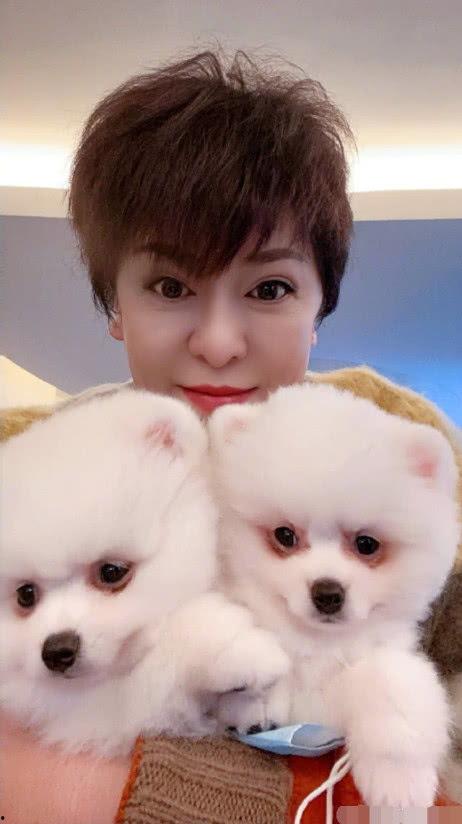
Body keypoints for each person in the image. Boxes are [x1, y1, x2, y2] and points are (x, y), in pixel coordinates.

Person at [1, 49, 460, 824]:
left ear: (320, 307)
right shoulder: (26, 473)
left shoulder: (399, 448)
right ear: (114, 307)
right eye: (171, 286)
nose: (218, 342)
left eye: (270, 288)